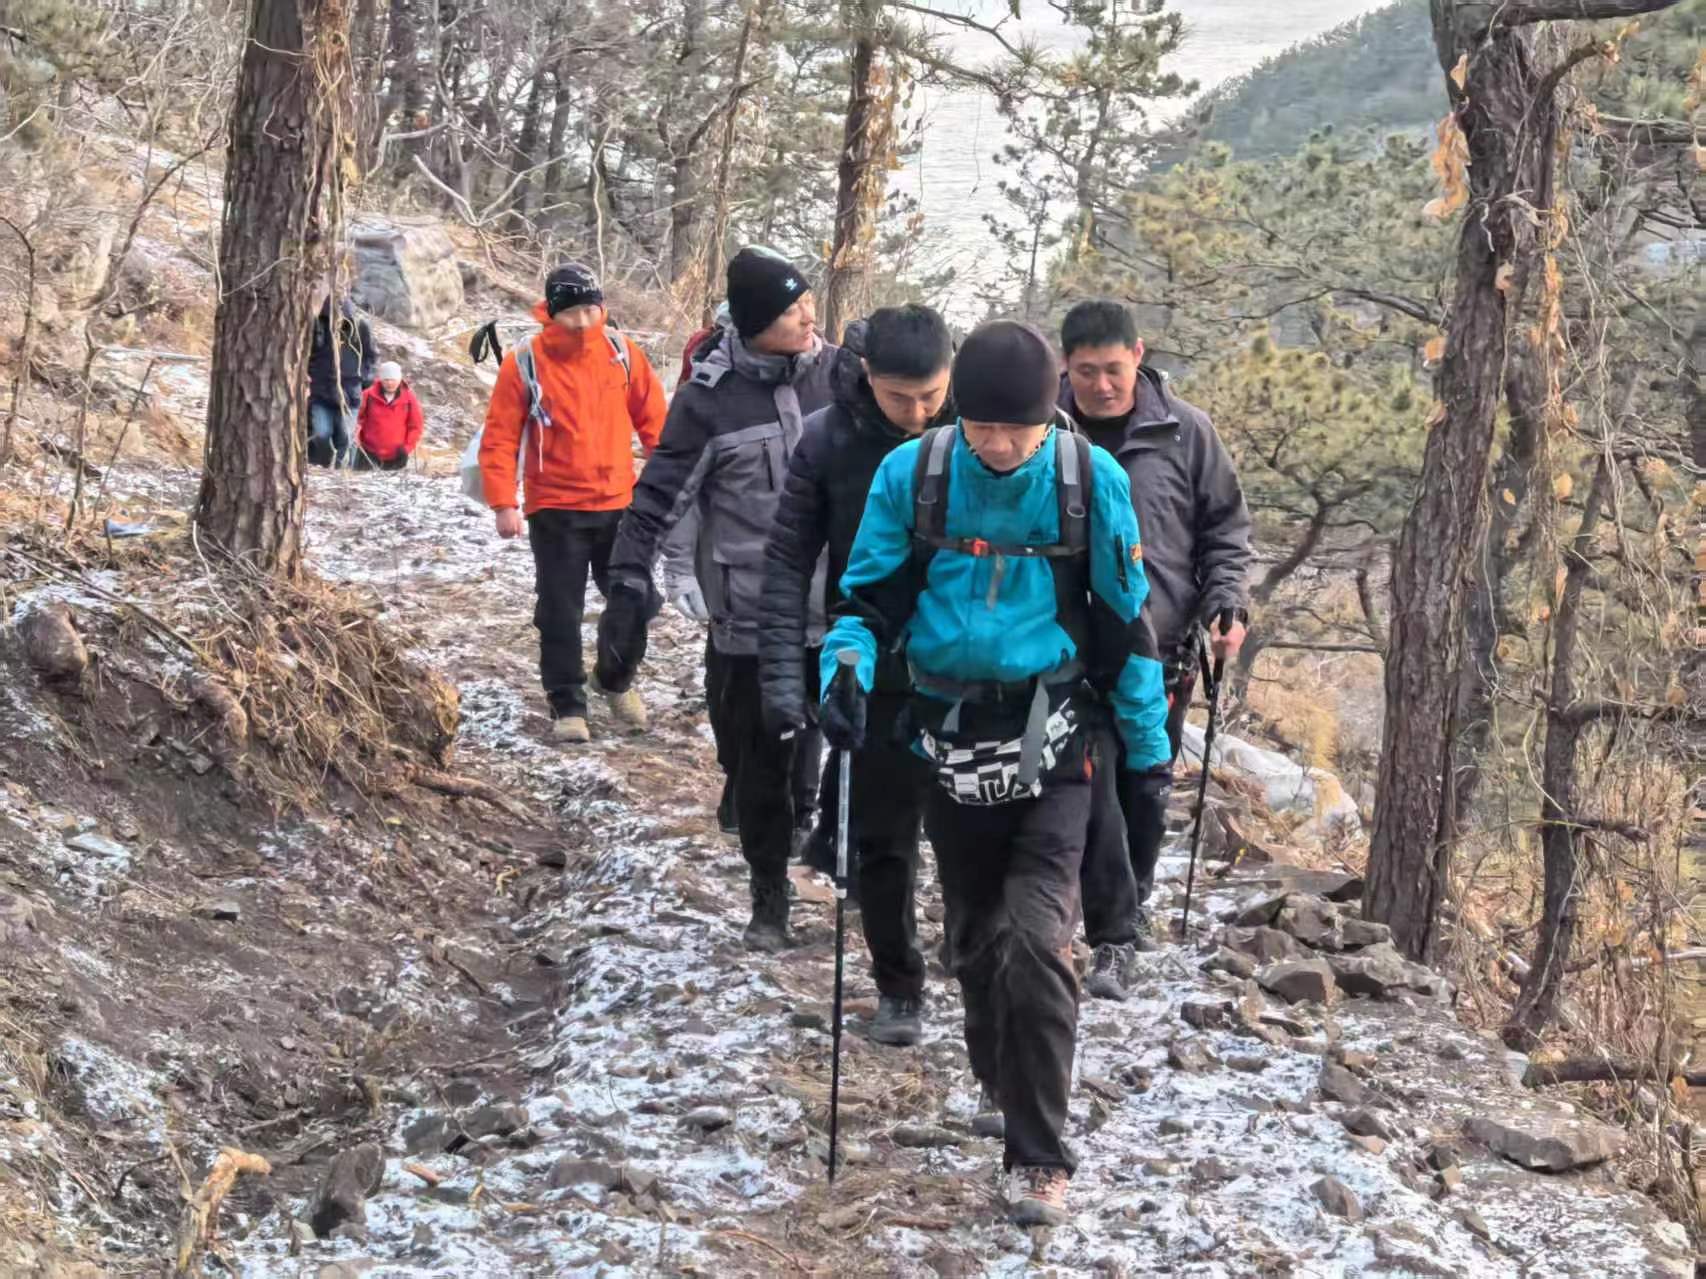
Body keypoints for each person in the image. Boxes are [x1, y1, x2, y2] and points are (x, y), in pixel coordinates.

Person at [817, 320, 1170, 1226]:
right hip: (948, 738)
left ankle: (1039, 1155)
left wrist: (1148, 751)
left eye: (1020, 429)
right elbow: (864, 599)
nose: (1003, 446)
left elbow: (1126, 626)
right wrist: (845, 669)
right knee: (976, 937)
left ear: (1050, 419)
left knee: (1037, 937)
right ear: (959, 416)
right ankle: (994, 1078)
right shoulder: (916, 475)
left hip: (1057, 742)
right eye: (985, 429)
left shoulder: (1090, 482)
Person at [594, 246, 835, 952]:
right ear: (759, 320)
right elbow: (657, 499)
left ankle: (799, 820)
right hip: (748, 615)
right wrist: (629, 585)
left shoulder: (841, 375)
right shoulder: (710, 399)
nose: (809, 316)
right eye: (793, 309)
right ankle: (769, 892)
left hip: (835, 609)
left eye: (807, 301)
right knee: (753, 758)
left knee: (807, 751)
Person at [758, 304, 954, 1047]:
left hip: (969, 668)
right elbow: (785, 562)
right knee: (882, 841)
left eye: (931, 396)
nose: (916, 413)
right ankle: (898, 987)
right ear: (866, 375)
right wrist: (786, 681)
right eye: (899, 396)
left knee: (968, 842)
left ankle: (969, 956)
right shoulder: (828, 438)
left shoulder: (985, 432)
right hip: (870, 663)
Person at [1059, 300, 1252, 1000]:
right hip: (1067, 645)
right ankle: (1100, 923)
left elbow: (1225, 527)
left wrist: (1226, 602)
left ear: (1137, 356)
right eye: (1087, 371)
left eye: (1113, 369)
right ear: (1065, 366)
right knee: (1090, 780)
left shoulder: (1186, 431)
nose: (1103, 384)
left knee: (1145, 784)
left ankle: (1131, 902)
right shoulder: (1042, 430)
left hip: (1161, 643)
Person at [479, 263, 668, 744]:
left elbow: (657, 425)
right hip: (555, 507)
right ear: (551, 314)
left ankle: (613, 679)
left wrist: (669, 484)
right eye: (572, 314)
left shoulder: (623, 354)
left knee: (637, 600)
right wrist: (504, 501)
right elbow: (500, 437)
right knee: (559, 610)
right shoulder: (524, 362)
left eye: (590, 310)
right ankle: (567, 703)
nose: (583, 323)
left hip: (620, 504)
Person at [307, 291, 376, 468]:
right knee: (321, 434)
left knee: (346, 436)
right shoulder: (318, 327)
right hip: (321, 393)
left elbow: (370, 356)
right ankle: (324, 465)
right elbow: (308, 355)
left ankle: (341, 471)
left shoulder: (361, 328)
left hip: (350, 393)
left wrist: (364, 379)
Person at [354, 361, 424, 471]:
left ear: (399, 379)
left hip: (397, 457)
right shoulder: (368, 395)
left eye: (393, 380)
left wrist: (407, 448)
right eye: (386, 380)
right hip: (368, 454)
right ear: (381, 380)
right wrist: (356, 437)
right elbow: (356, 420)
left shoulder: (409, 398)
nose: (390, 383)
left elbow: (416, 426)